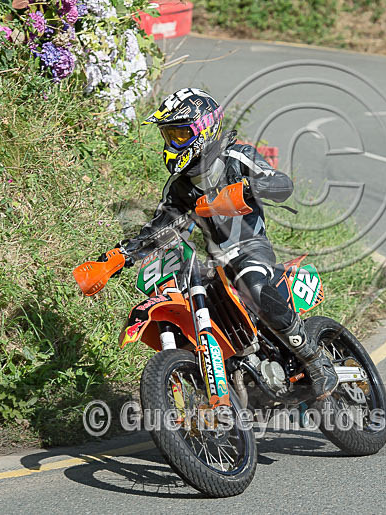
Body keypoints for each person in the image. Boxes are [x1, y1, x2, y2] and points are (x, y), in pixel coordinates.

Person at [104, 88, 338, 399]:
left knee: (253, 285)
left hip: (249, 247)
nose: (172, 144)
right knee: (185, 298)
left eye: (180, 134)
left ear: (204, 129)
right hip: (210, 262)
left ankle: (315, 359)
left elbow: (282, 183)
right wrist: (119, 257)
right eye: (168, 136)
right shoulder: (179, 187)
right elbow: (159, 227)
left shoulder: (235, 156)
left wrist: (248, 188)